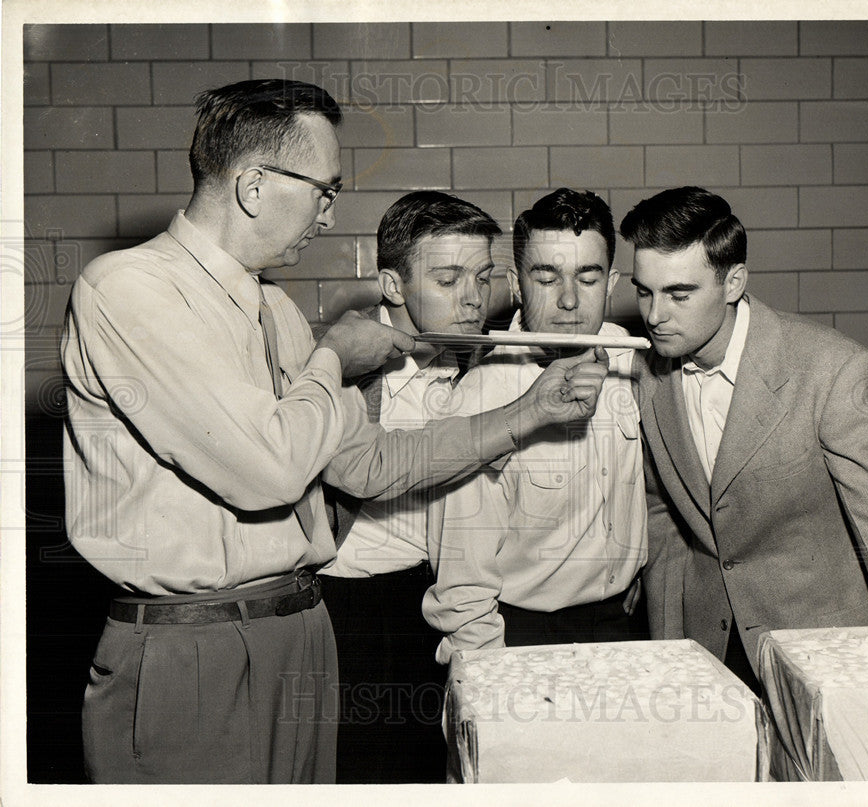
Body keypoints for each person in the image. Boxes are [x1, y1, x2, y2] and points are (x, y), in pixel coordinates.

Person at [60, 79, 610, 784]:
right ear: (255, 185)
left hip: (298, 625)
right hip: (192, 640)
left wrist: (528, 412)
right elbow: (266, 466)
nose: (327, 214)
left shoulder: (273, 306)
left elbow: (368, 464)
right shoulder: (130, 287)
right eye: (323, 189)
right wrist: (332, 361)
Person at [622, 186, 868, 692]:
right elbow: (662, 518)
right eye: (645, 291)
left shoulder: (834, 370)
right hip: (707, 649)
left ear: (734, 282)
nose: (655, 315)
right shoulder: (647, 375)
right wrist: (671, 652)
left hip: (825, 652)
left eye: (679, 294)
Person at [321, 190, 502, 783]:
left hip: (453, 596)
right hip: (354, 609)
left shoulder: (486, 361)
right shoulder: (336, 363)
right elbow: (362, 473)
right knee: (369, 773)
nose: (473, 299)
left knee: (452, 769)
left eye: (483, 277)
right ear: (393, 286)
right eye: (448, 280)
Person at [423, 188, 649, 663]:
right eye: (547, 279)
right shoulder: (483, 394)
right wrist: (488, 676)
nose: (569, 301)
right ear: (517, 283)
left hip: (621, 624)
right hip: (522, 635)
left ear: (611, 284)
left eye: (587, 279)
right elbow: (462, 583)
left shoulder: (630, 358)